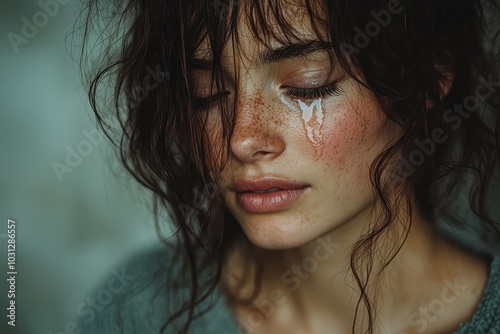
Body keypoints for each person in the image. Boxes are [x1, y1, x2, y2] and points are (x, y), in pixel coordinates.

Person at [79, 0, 500, 333]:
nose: (241, 138)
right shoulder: (138, 310)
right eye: (206, 93)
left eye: (306, 85)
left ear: (427, 77)